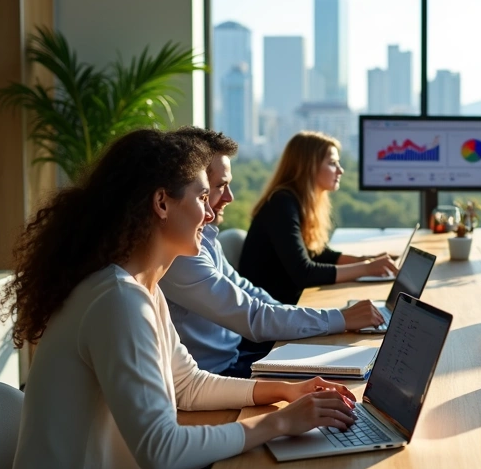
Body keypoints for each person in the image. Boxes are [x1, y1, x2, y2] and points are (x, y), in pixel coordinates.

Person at [0, 130, 359, 469]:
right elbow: (160, 450)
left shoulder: (141, 289)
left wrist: (284, 390)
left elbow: (186, 384)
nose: (210, 211)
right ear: (162, 203)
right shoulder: (117, 300)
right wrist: (279, 423)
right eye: (203, 196)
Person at [161, 128, 384, 378]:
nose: (230, 197)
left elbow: (252, 293)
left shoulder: (206, 238)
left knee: (350, 363)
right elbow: (256, 315)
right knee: (344, 375)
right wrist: (339, 318)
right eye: (215, 188)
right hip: (221, 372)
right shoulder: (181, 253)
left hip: (238, 355)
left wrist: (320, 318)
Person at [239, 131, 398, 305]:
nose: (340, 170)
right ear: (308, 166)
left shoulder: (297, 201)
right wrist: (366, 269)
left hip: (287, 306)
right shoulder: (281, 204)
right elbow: (304, 273)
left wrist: (368, 260)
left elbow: (319, 254)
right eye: (332, 163)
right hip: (272, 313)